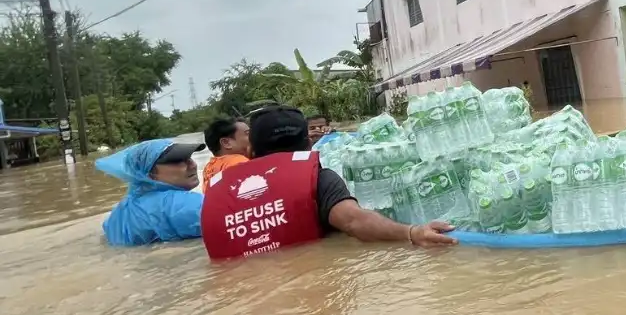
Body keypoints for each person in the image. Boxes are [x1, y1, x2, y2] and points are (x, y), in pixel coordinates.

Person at [201, 106, 456, 260]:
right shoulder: (317, 179)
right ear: (308, 142)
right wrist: (412, 233)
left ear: (252, 148)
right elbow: (354, 221)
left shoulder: (217, 190)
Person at [95, 139, 206, 246]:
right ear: (150, 174)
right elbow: (219, 214)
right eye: (178, 161)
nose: (193, 165)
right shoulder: (177, 204)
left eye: (189, 158)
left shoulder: (118, 214)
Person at [201, 117, 250, 192]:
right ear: (226, 143)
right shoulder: (240, 162)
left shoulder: (208, 168)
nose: (254, 137)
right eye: (248, 133)